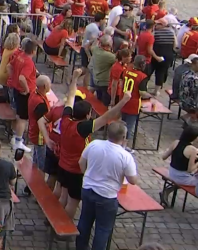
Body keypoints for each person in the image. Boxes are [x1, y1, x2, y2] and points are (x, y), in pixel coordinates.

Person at [56, 69, 131, 220]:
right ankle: (63, 227)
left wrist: (75, 78)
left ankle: (54, 220)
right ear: (87, 115)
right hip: (75, 170)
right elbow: (107, 117)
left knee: (63, 195)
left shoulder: (66, 119)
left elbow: (71, 96)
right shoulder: (83, 128)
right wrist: (123, 101)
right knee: (73, 202)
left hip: (62, 164)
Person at [76, 121, 138, 250]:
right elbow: (133, 180)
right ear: (123, 137)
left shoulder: (94, 144)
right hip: (107, 196)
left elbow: (81, 162)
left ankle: (80, 247)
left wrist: (87, 175)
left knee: (84, 221)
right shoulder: (125, 156)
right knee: (103, 229)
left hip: (88, 189)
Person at [6, 39, 38, 152]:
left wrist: (13, 78)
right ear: (33, 51)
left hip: (16, 89)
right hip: (23, 93)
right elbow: (22, 77)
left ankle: (16, 137)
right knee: (22, 118)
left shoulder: (20, 56)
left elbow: (9, 66)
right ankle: (18, 141)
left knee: (19, 115)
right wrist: (27, 89)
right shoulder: (28, 62)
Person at [161, 125, 198, 203]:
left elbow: (164, 157)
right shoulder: (193, 150)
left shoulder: (176, 142)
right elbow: (190, 170)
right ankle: (167, 191)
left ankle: (167, 191)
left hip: (172, 173)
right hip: (182, 178)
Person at [119, 55, 151, 147]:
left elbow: (121, 83)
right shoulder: (142, 76)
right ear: (143, 65)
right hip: (133, 104)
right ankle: (123, 146)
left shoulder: (126, 71)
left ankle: (119, 143)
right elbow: (142, 93)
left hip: (123, 100)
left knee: (122, 123)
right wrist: (151, 95)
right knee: (128, 127)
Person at [91, 35, 117, 105]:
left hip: (96, 79)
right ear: (109, 45)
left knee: (98, 100)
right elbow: (119, 60)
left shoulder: (95, 50)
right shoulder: (109, 56)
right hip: (105, 82)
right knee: (104, 104)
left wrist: (98, 39)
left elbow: (93, 46)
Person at [179, 55, 198, 123]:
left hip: (182, 99)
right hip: (189, 103)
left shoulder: (186, 72)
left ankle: (189, 117)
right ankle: (190, 119)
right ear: (194, 64)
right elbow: (195, 91)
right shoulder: (193, 78)